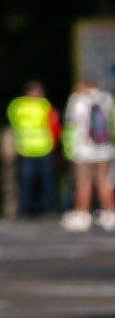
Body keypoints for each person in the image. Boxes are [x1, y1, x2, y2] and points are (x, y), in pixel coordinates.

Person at [61, 77, 114, 232]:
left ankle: (82, 214)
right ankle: (109, 213)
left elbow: (71, 122)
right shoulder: (106, 98)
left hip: (84, 150)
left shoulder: (77, 100)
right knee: (104, 181)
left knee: (83, 182)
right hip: (104, 149)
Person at [6, 81, 60, 219]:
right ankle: (36, 209)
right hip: (32, 149)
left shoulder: (17, 105)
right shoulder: (43, 105)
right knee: (33, 182)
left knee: (33, 181)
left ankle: (29, 210)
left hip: (37, 148)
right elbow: (53, 123)